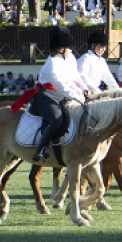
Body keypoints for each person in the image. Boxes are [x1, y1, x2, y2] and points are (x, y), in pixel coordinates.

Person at [28, 25, 88, 163]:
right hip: (47, 95)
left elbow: (75, 77)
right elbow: (62, 87)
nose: (71, 50)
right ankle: (41, 148)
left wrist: (83, 89)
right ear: (61, 48)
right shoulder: (52, 64)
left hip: (63, 94)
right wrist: (78, 97)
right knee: (56, 119)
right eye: (68, 47)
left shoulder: (70, 58)